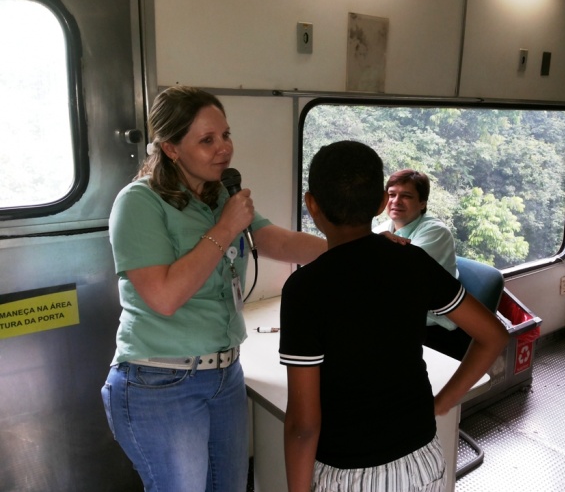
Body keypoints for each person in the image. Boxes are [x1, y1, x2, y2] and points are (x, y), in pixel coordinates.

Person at [101, 85, 327, 492]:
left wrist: (353, 247)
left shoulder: (219, 193)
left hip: (225, 375)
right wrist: (225, 229)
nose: (224, 148)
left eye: (225, 134)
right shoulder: (139, 203)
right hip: (160, 381)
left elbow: (275, 241)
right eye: (207, 140)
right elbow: (164, 297)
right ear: (171, 149)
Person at [280, 141, 509, 492]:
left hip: (348, 473)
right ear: (379, 204)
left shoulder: (303, 289)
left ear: (311, 204)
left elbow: (303, 425)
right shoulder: (412, 260)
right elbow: (494, 335)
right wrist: (441, 403)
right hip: (423, 461)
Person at [373, 169, 468, 360]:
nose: (396, 201)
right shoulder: (383, 228)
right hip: (400, 320)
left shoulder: (436, 232)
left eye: (406, 196)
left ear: (422, 203)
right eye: (392, 194)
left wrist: (376, 246)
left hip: (434, 329)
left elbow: (396, 274)